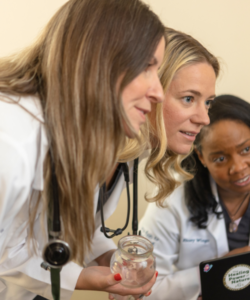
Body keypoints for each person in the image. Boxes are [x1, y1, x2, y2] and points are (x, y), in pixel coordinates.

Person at [0, 0, 166, 299]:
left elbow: (19, 244)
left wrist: (97, 261)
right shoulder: (8, 142)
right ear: (98, 61)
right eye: (146, 67)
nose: (159, 92)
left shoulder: (74, 136)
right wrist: (77, 276)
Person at [104, 28, 219, 300]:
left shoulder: (129, 157)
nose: (204, 119)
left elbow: (83, 227)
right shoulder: (99, 154)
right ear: (151, 92)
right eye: (189, 99)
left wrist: (107, 258)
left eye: (208, 103)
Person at [139, 95, 250, 300]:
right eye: (221, 158)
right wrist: (217, 271)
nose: (238, 168)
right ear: (201, 156)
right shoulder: (170, 197)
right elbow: (145, 289)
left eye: (246, 149)